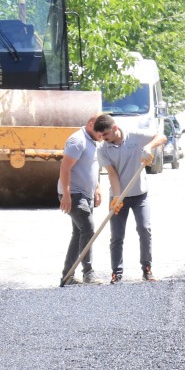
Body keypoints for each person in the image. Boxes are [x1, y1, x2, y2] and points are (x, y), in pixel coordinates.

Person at [99, 121, 168, 282]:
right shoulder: (102, 149)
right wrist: (117, 197)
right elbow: (112, 174)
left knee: (144, 229)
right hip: (118, 197)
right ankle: (117, 272)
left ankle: (147, 269)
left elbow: (162, 137)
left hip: (139, 195)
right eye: (101, 136)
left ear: (115, 128)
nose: (103, 139)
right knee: (116, 236)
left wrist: (148, 147)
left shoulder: (134, 135)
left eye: (106, 135)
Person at [58, 113, 115, 287]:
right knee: (88, 230)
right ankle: (88, 273)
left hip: (85, 194)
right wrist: (66, 195)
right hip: (74, 194)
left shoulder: (92, 141)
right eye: (100, 133)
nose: (102, 136)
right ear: (91, 124)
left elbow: (91, 166)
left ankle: (67, 275)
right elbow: (65, 168)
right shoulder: (77, 141)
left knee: (79, 233)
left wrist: (97, 187)